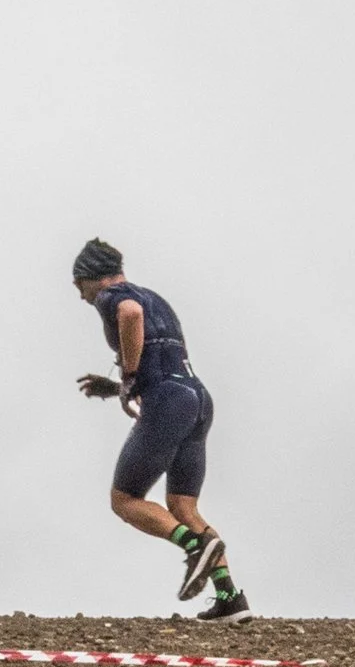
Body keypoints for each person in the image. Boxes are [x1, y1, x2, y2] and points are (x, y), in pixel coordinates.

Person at [71, 238, 252, 622]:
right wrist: (119, 385)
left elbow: (131, 315)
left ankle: (193, 547)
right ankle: (230, 599)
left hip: (168, 401)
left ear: (91, 277)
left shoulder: (112, 295)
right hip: (197, 399)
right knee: (183, 506)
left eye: (78, 285)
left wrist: (131, 378)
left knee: (125, 500)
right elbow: (155, 342)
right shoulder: (154, 296)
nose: (80, 296)